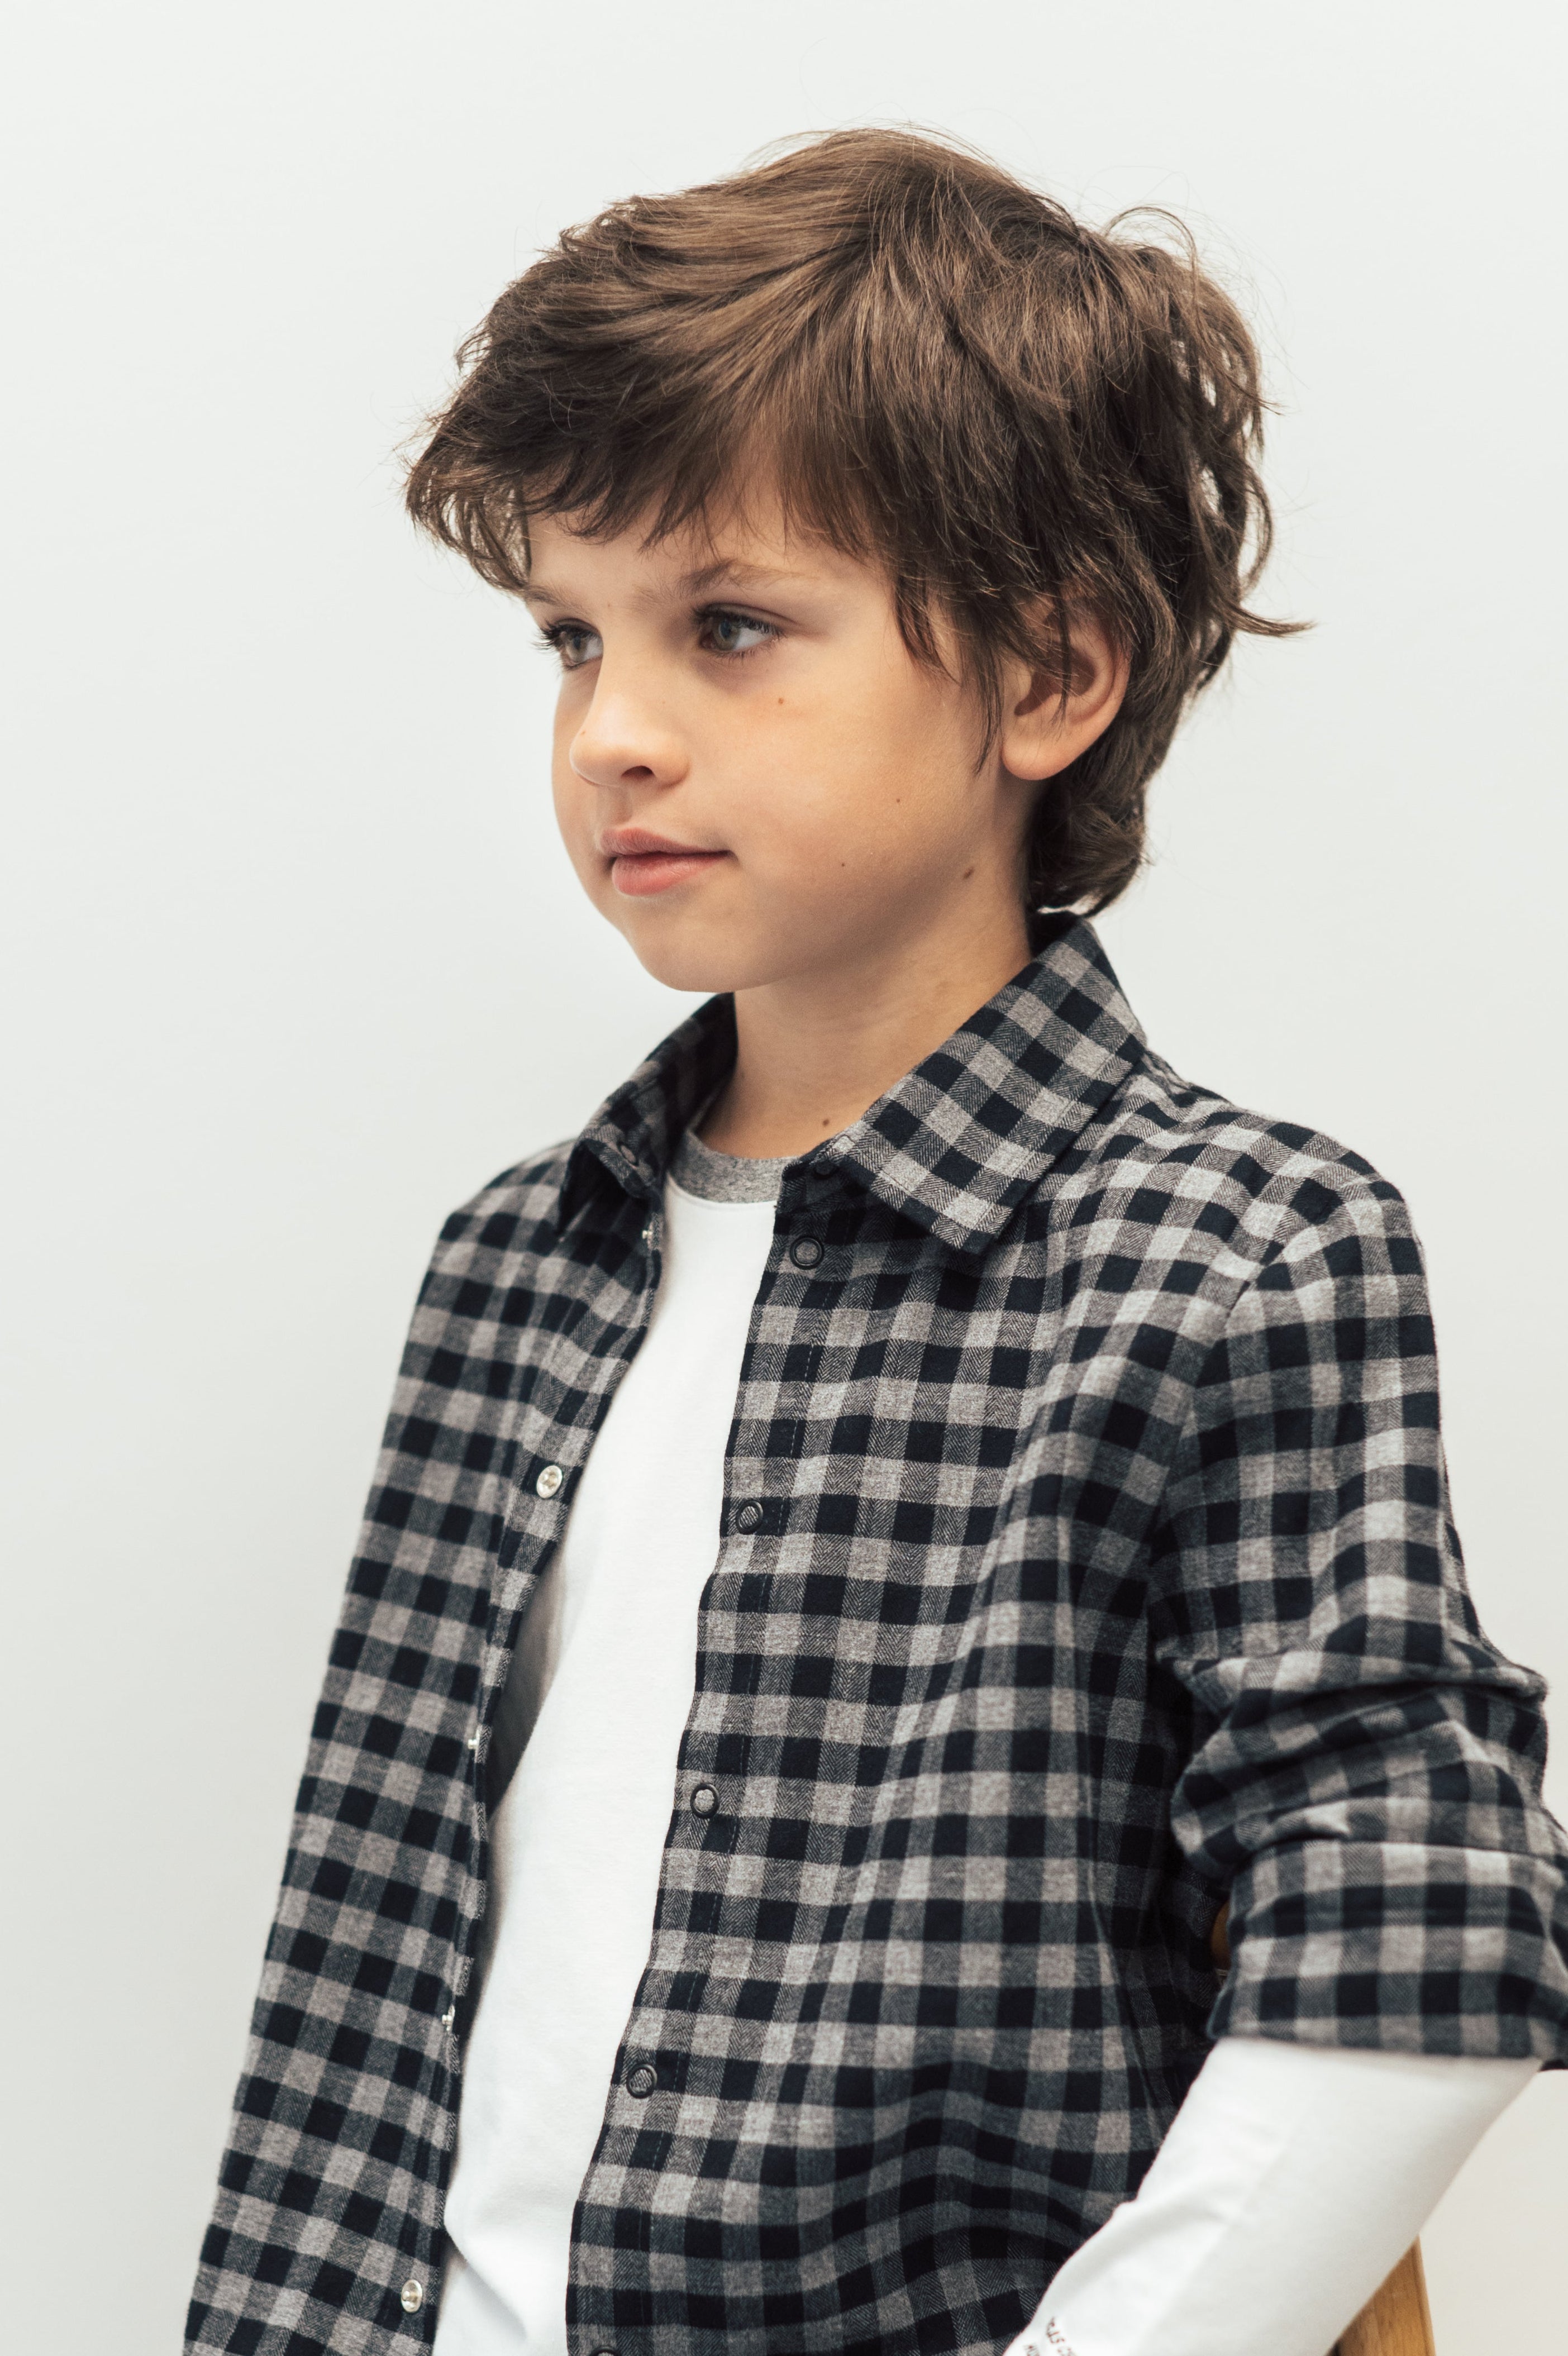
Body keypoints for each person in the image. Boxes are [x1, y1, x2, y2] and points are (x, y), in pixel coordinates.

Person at [187, 129, 1568, 2356]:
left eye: (730, 627)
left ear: (1051, 675)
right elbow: (380, 1987)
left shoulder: (1236, 1254)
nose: (616, 733)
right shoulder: (514, 1266)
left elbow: (1416, 1950)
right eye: (573, 636)